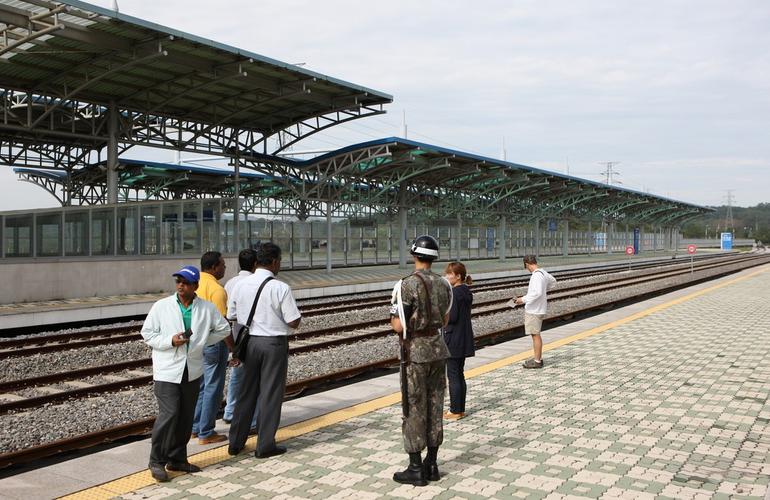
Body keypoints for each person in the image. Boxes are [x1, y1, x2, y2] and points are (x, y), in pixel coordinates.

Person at [141, 265, 231, 482]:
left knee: (186, 416)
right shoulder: (162, 306)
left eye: (186, 282)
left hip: (192, 371)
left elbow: (224, 329)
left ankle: (178, 458)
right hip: (167, 372)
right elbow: (147, 333)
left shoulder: (207, 308)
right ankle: (156, 461)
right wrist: (170, 341)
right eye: (178, 281)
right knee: (170, 413)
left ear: (195, 286)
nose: (180, 286)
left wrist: (199, 343)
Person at [227, 242, 301, 458]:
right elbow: (293, 321)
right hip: (273, 344)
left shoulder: (240, 285)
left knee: (245, 393)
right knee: (270, 394)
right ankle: (265, 445)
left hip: (249, 343)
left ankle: (236, 442)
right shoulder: (280, 287)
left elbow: (231, 314)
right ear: (275, 262)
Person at [389, 235, 453, 486]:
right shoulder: (444, 284)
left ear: (414, 255)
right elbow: (445, 320)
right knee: (436, 404)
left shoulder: (405, 285)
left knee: (413, 407)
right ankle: (433, 463)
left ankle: (415, 467)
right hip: (439, 349)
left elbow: (397, 325)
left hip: (415, 353)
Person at [191, 251, 233, 445]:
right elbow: (223, 324)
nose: (224, 268)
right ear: (214, 267)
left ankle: (195, 427)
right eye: (223, 265)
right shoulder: (217, 290)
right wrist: (233, 348)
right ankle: (206, 432)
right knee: (213, 388)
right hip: (214, 343)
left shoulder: (194, 286)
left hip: (197, 343)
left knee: (200, 387)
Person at [223, 248, 258, 427]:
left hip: (236, 336)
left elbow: (229, 313)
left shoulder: (230, 283)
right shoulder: (255, 282)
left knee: (237, 374)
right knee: (254, 378)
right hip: (254, 336)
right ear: (255, 264)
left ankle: (229, 411)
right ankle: (252, 420)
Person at [442, 261, 474, 420]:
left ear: (458, 276)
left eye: (449, 274)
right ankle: (459, 408)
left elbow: (452, 317)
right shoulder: (466, 291)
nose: (447, 276)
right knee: (459, 374)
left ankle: (455, 410)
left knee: (453, 376)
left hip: (453, 338)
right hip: (463, 338)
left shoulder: (455, 293)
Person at [513, 255, 557, 368]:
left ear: (527, 264)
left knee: (535, 335)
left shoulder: (536, 276)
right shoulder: (543, 273)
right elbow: (554, 282)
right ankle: (538, 358)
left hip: (534, 310)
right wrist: (544, 289)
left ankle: (537, 361)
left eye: (526, 266)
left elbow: (536, 293)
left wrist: (521, 300)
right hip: (540, 308)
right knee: (536, 334)